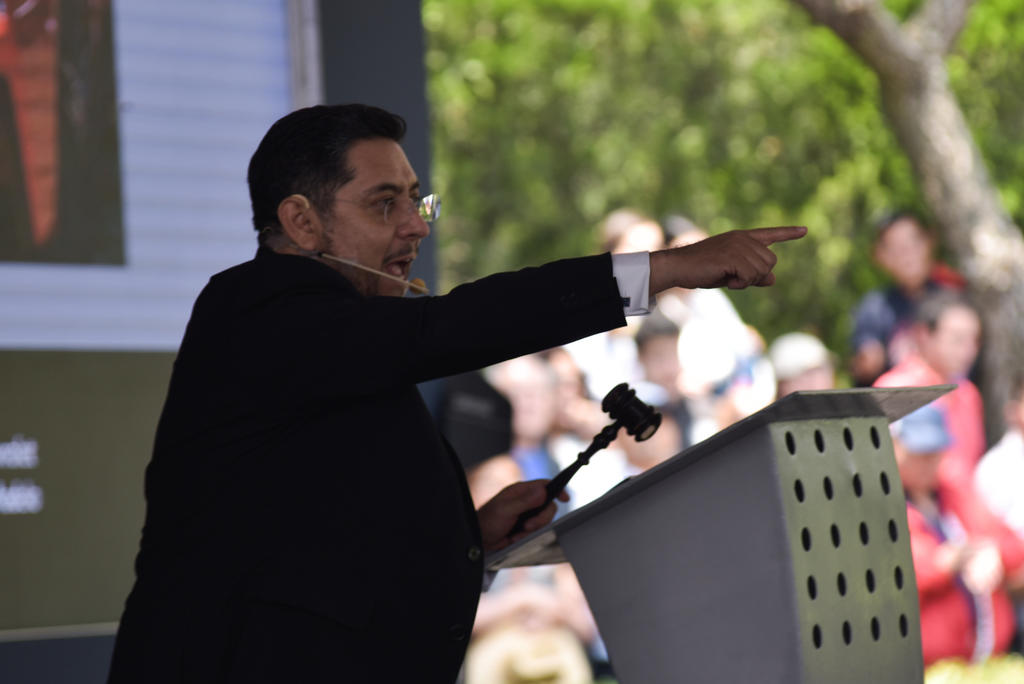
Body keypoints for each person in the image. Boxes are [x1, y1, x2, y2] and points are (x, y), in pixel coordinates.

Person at [106, 103, 805, 683]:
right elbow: (460, 323)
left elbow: (319, 540)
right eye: (385, 204)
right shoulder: (261, 308)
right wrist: (665, 269)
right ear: (301, 221)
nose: (415, 225)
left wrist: (467, 535)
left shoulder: (340, 340)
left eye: (417, 201)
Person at [893, 405, 1024, 666]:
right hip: (925, 666)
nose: (929, 461)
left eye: (935, 451)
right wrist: (949, 561)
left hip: (987, 658)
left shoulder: (955, 491)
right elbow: (895, 575)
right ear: (894, 448)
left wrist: (993, 553)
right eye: (919, 452)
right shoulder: (882, 505)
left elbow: (1013, 544)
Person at [875, 291, 986, 484]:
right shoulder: (896, 389)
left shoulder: (969, 394)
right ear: (924, 335)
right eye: (958, 339)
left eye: (974, 341)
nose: (969, 350)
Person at [850, 212, 962, 386]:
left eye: (914, 242)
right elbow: (863, 362)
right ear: (880, 256)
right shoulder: (874, 308)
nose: (907, 253)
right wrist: (866, 362)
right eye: (896, 248)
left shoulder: (956, 300)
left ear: (930, 241)